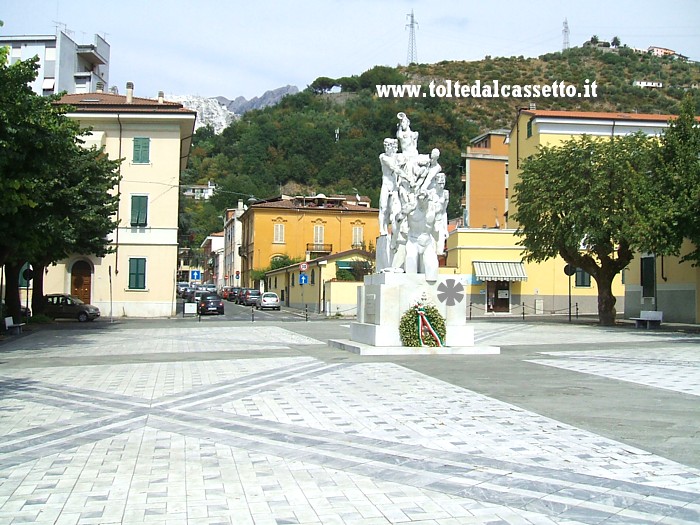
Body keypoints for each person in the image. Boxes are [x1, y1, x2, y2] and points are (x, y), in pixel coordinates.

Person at [403, 190, 439, 281]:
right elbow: (397, 220)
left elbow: (431, 228)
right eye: (420, 199)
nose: (422, 202)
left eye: (425, 199)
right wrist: (404, 213)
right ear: (417, 199)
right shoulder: (411, 209)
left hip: (426, 241)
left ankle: (429, 292)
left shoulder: (431, 210)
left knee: (432, 267)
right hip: (413, 240)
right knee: (411, 262)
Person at [378, 138, 403, 236]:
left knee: (395, 209)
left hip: (395, 186)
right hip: (386, 184)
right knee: (383, 207)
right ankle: (382, 228)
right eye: (386, 145)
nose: (387, 148)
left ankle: (395, 229)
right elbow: (393, 167)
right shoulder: (383, 157)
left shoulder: (398, 157)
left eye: (389, 145)